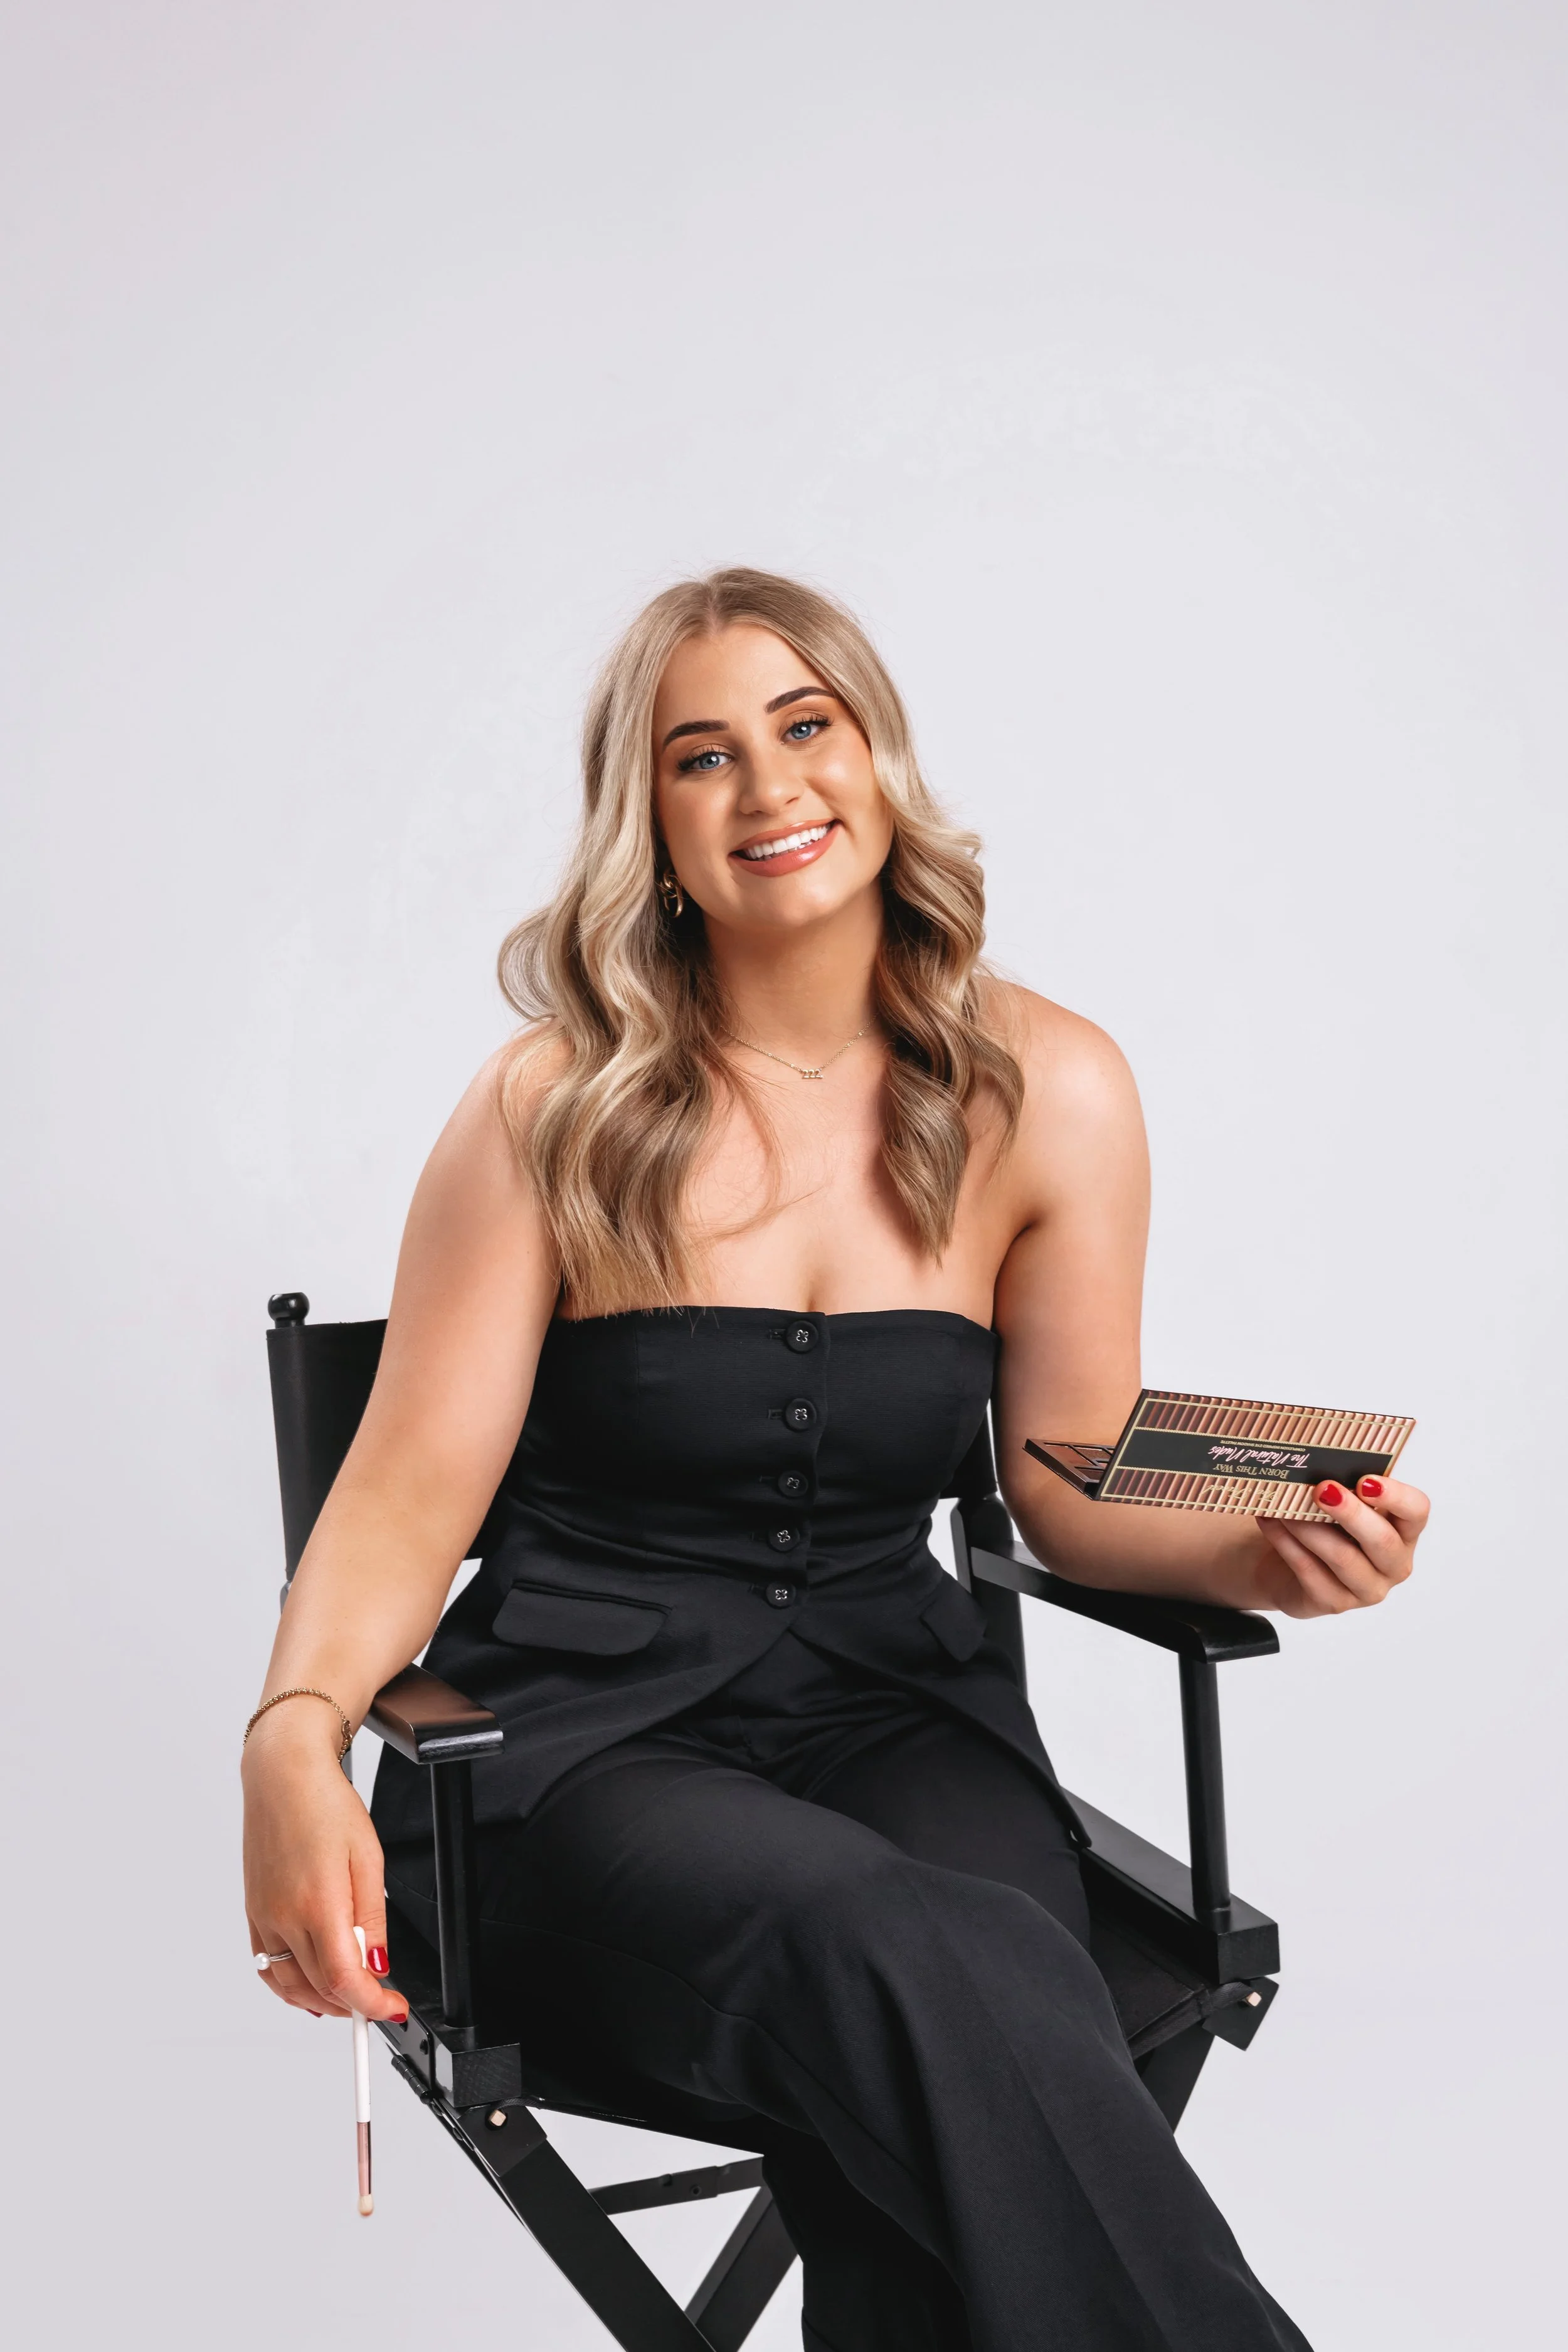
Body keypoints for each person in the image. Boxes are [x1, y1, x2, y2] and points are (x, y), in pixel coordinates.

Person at [241, 568, 1428, 2350]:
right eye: (701, 754)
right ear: (648, 826)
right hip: (577, 1755)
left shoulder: (1051, 1086)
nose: (770, 785)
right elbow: (405, 1493)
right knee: (921, 1963)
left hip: (901, 1715)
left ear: (879, 753)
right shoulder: (549, 1107)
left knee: (973, 2001)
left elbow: (1067, 1477)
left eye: (807, 725)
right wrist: (290, 1739)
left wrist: (1257, 1557)